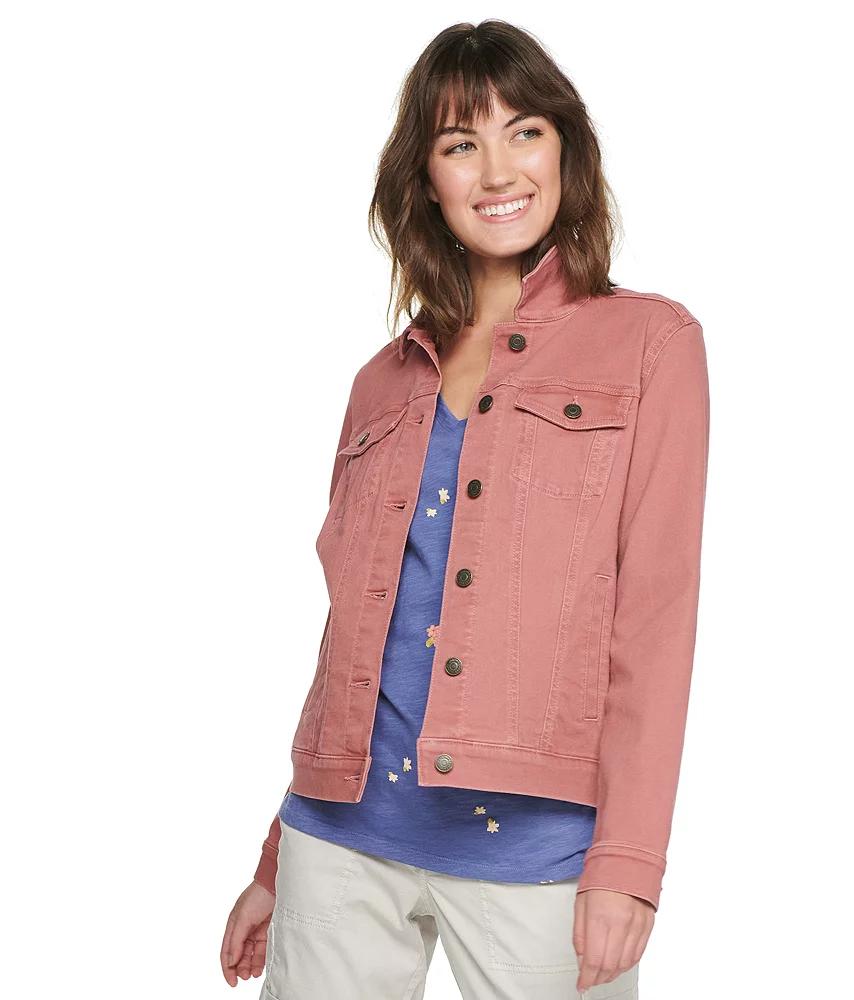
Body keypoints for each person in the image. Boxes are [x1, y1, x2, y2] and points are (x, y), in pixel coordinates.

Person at [221, 19, 709, 999]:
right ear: (427, 179)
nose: (496, 170)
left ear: (566, 149)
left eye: (523, 131)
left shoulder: (651, 344)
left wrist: (628, 862)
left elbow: (655, 620)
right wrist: (278, 856)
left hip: (535, 852)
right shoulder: (380, 383)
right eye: (459, 143)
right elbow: (355, 637)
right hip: (339, 841)